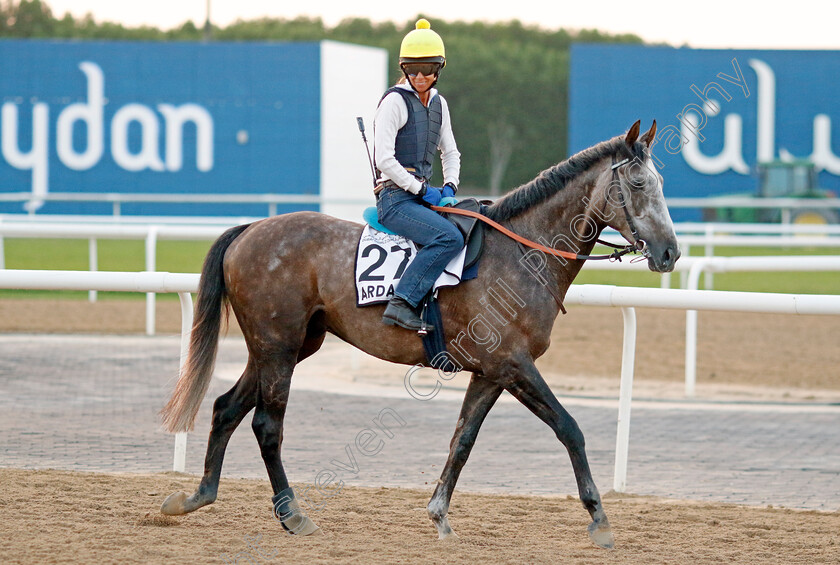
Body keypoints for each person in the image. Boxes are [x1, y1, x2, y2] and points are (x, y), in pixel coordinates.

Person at [374, 19, 463, 332]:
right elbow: (383, 158)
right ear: (404, 68)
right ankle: (402, 304)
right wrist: (420, 189)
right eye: (413, 69)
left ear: (438, 68)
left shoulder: (440, 104)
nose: (420, 76)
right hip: (395, 199)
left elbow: (450, 152)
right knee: (448, 236)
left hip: (421, 197)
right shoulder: (395, 102)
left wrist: (450, 184)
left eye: (427, 68)